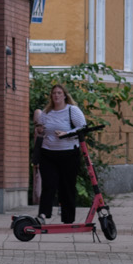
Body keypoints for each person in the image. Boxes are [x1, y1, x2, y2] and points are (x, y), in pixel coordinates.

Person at [34, 85, 86, 225]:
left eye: (59, 93)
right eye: (54, 93)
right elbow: (41, 130)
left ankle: (68, 219)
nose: (56, 95)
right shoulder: (46, 112)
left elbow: (82, 127)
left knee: (67, 186)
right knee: (49, 185)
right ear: (51, 96)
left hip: (69, 154)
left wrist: (66, 134)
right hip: (48, 154)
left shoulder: (72, 110)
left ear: (64, 95)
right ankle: (43, 215)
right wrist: (39, 129)